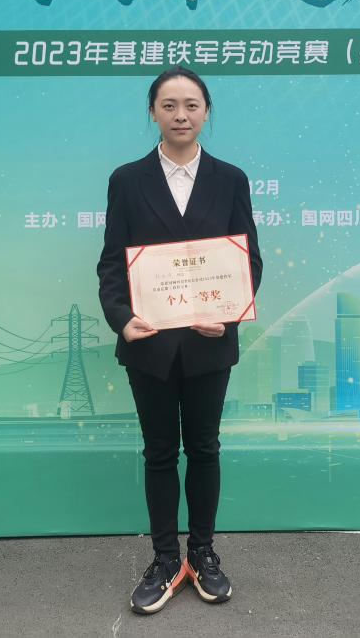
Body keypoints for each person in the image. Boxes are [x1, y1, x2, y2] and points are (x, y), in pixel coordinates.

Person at [96, 66, 262, 615]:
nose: (181, 115)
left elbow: (247, 262)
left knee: (206, 448)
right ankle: (166, 559)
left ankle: (204, 554)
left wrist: (228, 315)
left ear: (206, 112)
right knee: (160, 452)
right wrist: (122, 319)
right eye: (169, 105)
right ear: (152, 112)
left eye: (191, 105)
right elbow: (112, 264)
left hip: (209, 341)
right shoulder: (126, 180)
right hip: (149, 343)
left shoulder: (230, 179)